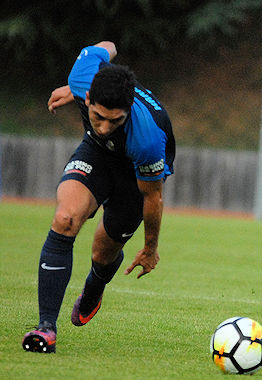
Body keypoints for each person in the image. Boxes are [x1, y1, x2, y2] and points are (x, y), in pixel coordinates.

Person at [22, 41, 175, 353]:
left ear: (128, 111)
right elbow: (109, 46)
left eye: (114, 121)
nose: (104, 127)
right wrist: (73, 87)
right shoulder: (83, 76)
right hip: (96, 156)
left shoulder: (147, 139)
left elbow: (153, 198)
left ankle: (95, 286)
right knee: (65, 218)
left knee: (102, 254)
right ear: (88, 97)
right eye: (97, 117)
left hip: (134, 173)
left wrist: (150, 248)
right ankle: (46, 327)